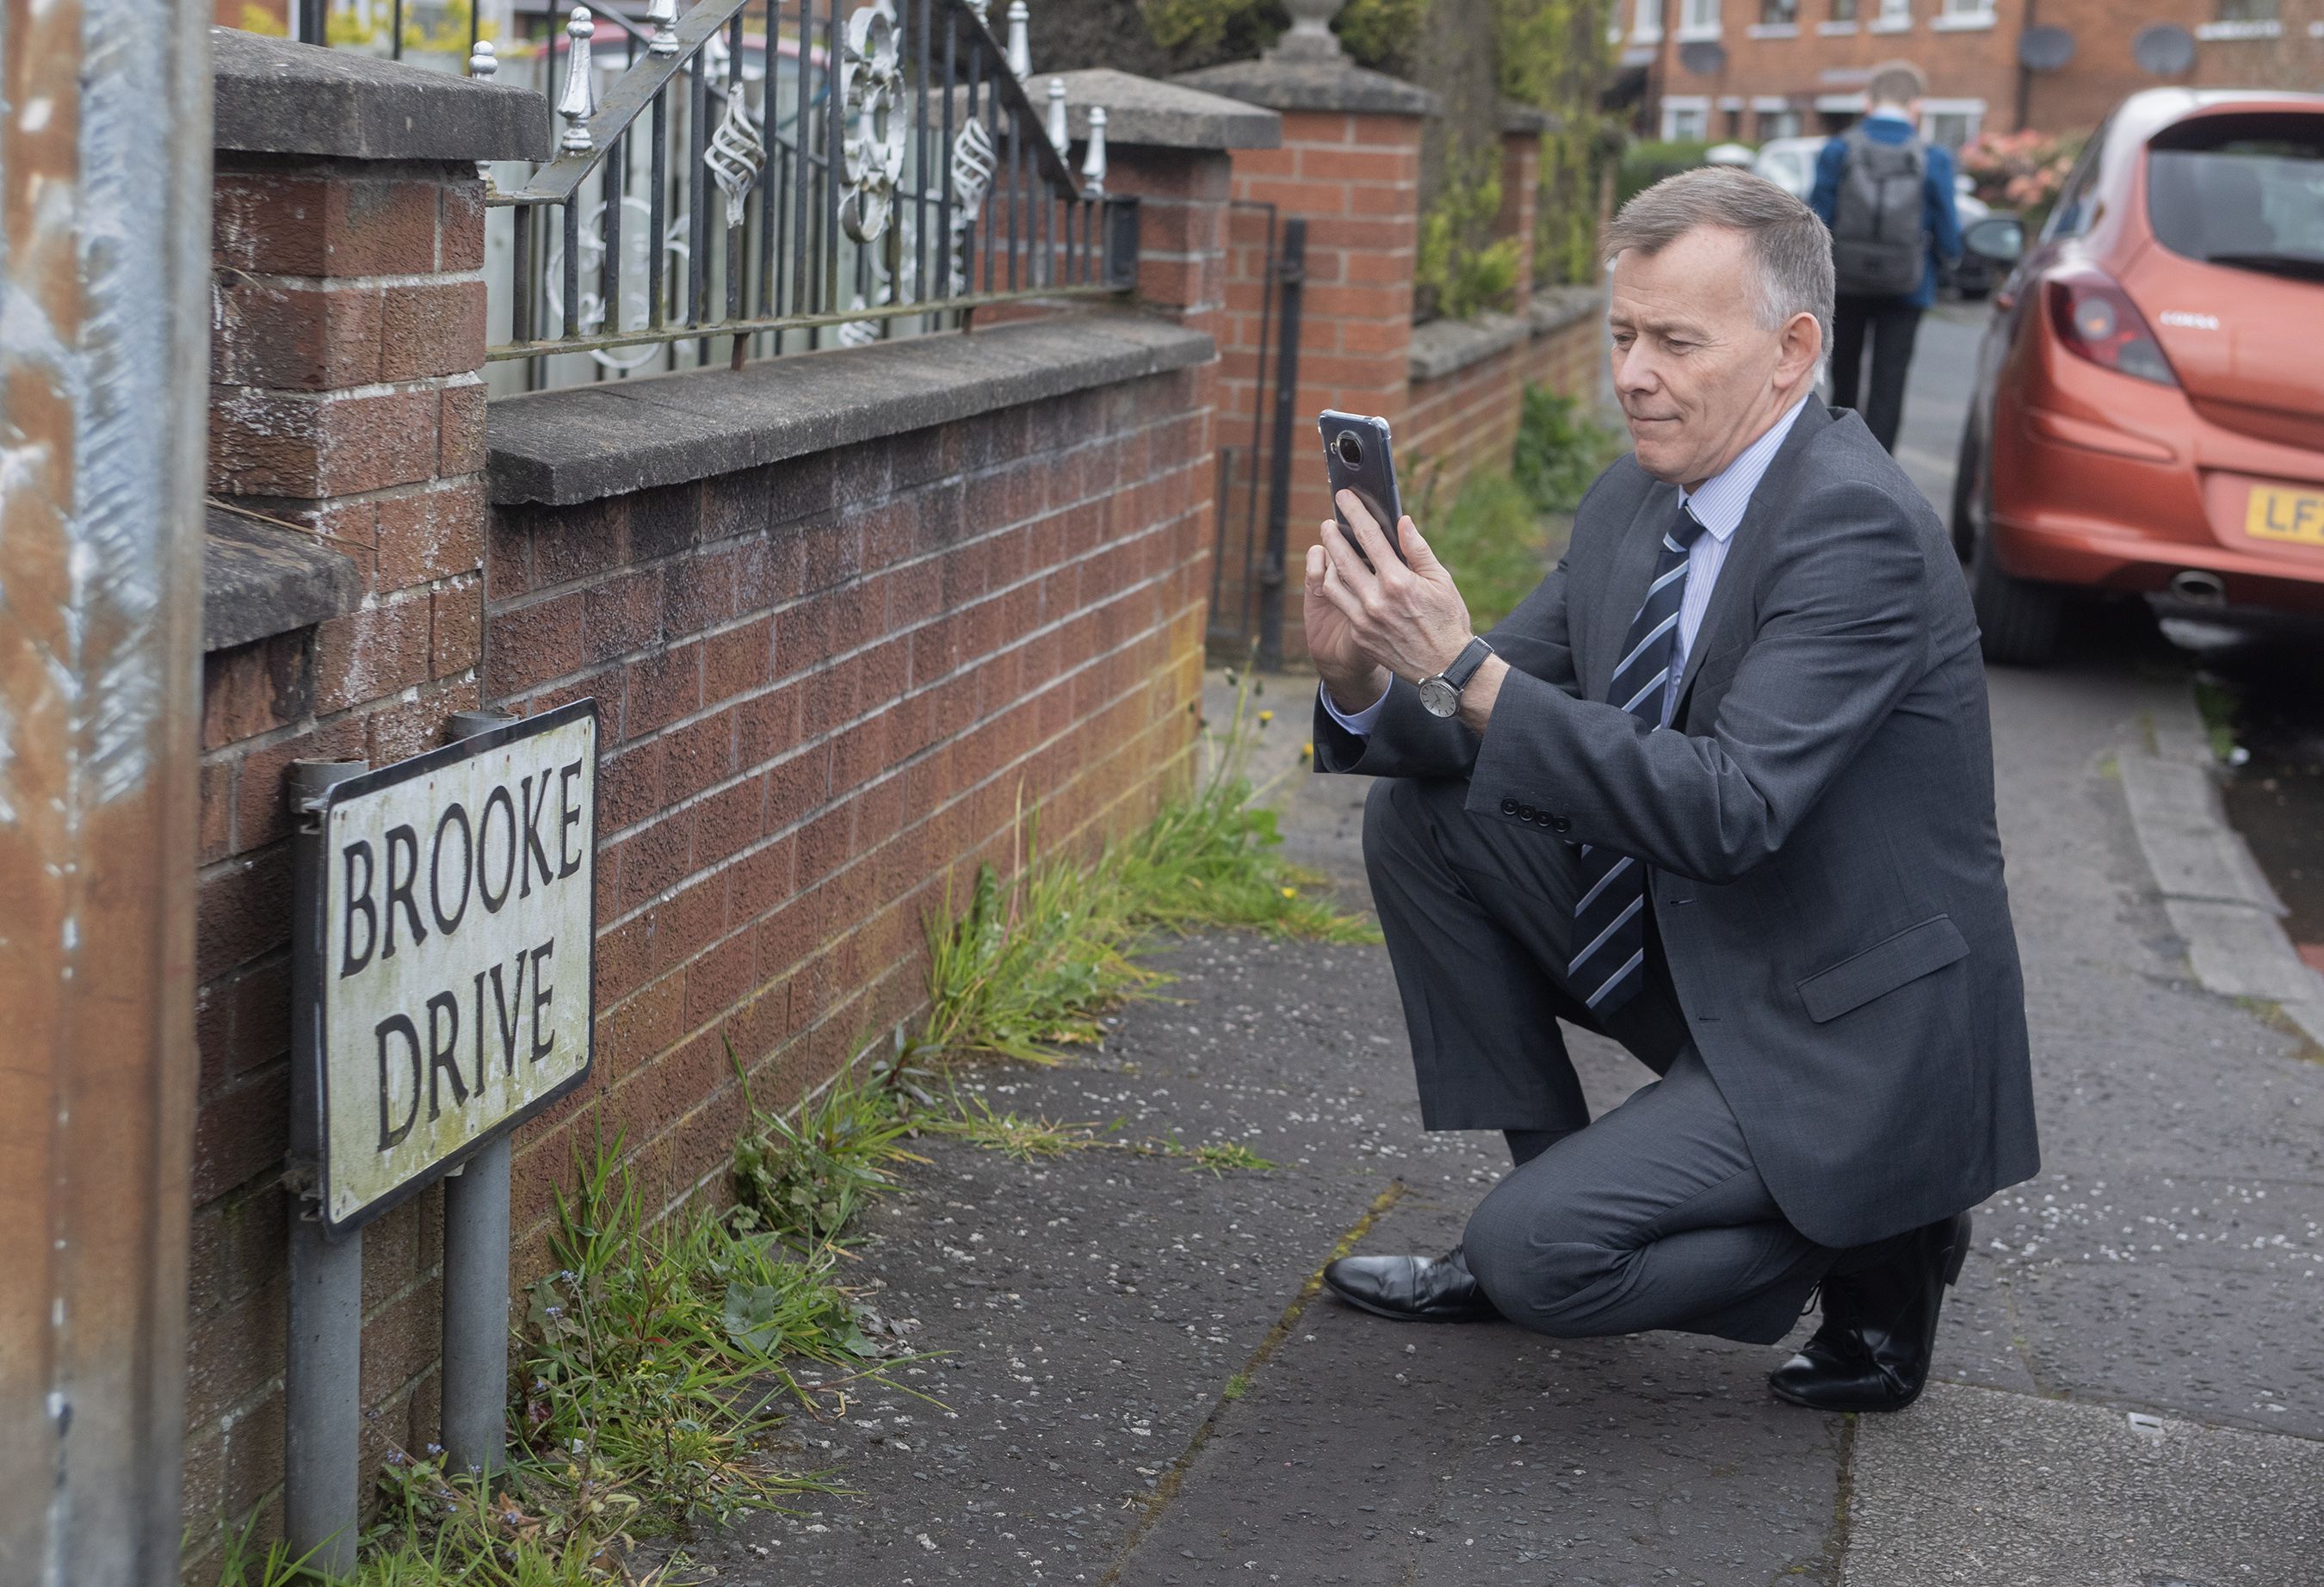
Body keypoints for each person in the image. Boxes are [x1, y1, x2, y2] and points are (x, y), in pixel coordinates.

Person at [1302, 167, 2037, 1413]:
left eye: (1675, 342)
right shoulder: (1636, 495)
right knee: (1424, 823)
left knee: (1545, 1265)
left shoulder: (1854, 530)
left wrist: (1464, 666)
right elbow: (1493, 721)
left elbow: (1729, 808)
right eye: (1623, 334)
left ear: (1792, 349)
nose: (1632, 373)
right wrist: (1361, 670)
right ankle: (1551, 1187)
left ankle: (1879, 1226)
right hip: (1714, 955)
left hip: (1845, 1026)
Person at [1809, 59, 1962, 454]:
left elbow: (1817, 217)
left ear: (1867, 101)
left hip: (1845, 282)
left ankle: (1837, 460)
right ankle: (1878, 472)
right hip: (1908, 285)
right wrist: (1951, 263)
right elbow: (1947, 225)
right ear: (1917, 106)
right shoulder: (1933, 157)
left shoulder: (1839, 149)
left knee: (1844, 376)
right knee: (1889, 382)